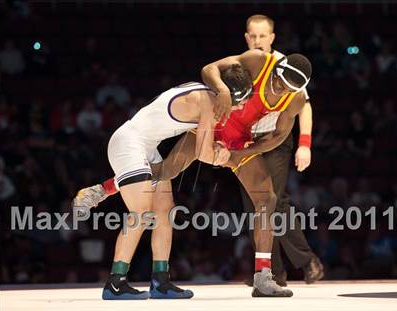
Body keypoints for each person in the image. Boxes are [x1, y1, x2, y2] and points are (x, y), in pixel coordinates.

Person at [74, 49, 311, 297]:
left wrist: (238, 154)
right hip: (170, 133)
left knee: (260, 199)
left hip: (232, 138)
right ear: (275, 70)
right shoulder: (252, 66)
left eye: (287, 89)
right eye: (278, 82)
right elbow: (210, 71)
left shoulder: (291, 100)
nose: (280, 89)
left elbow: (279, 136)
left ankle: (256, 277)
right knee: (154, 190)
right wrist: (222, 99)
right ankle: (116, 277)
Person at [93, 65, 251, 300]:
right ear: (228, 96)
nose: (241, 108)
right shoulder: (206, 102)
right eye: (240, 102)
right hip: (128, 143)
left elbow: (200, 148)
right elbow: (204, 154)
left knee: (165, 212)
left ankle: (160, 281)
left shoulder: (207, 96)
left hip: (147, 148)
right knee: (141, 213)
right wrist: (227, 155)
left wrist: (220, 149)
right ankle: (115, 282)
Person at [240, 14, 324, 285]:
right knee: (256, 206)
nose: (257, 40)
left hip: (276, 139)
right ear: (246, 37)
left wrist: (305, 145)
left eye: (262, 35)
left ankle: (304, 261)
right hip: (246, 144)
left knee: (271, 201)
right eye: (252, 35)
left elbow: (305, 106)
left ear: (272, 38)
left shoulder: (286, 66)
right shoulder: (241, 65)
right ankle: (272, 273)